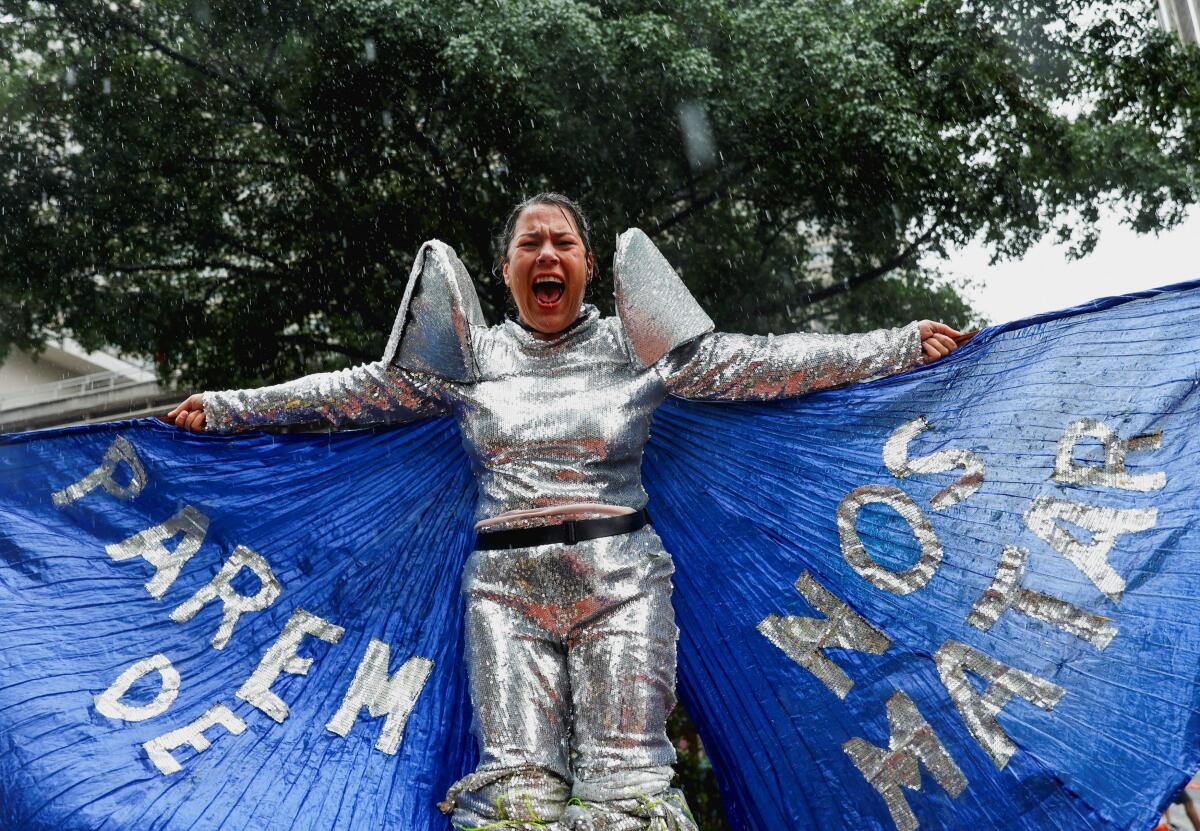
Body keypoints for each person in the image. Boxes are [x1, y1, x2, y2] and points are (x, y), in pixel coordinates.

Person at [166, 193, 961, 830]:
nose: (548, 255)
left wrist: (896, 345)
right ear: (506, 268)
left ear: (586, 264)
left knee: (626, 792)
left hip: (621, 581)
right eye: (530, 244)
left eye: (564, 243)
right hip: (503, 594)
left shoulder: (639, 344)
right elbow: (352, 392)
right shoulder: (467, 358)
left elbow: (762, 362)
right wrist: (229, 408)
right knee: (518, 797)